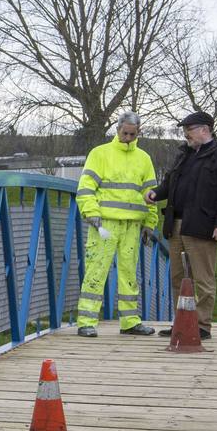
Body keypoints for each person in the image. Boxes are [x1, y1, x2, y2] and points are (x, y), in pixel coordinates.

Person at [146, 111, 217, 340]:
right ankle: (182, 322)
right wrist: (155, 193)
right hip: (176, 224)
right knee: (178, 279)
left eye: (189, 130)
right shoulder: (184, 155)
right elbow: (170, 183)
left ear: (204, 130)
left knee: (203, 279)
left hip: (203, 225)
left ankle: (202, 326)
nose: (185, 134)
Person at [73, 111, 160, 338]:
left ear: (138, 132)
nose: (128, 137)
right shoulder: (100, 154)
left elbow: (150, 194)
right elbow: (86, 187)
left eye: (132, 134)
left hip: (132, 225)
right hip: (105, 222)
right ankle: (86, 322)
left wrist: (150, 223)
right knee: (96, 270)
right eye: (125, 133)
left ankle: (130, 321)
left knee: (128, 273)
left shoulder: (144, 159)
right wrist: (90, 212)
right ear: (118, 129)